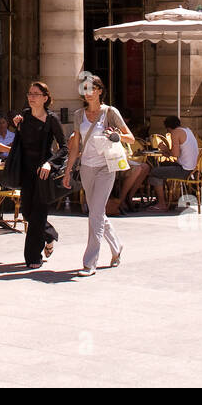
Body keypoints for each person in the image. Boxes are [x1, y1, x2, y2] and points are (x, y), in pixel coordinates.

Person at [62, 76, 129, 275]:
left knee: (95, 213)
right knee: (96, 212)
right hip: (86, 167)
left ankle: (90, 262)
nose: (88, 92)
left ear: (100, 90)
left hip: (106, 167)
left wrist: (117, 136)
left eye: (92, 88)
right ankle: (117, 246)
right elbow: (75, 146)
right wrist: (68, 171)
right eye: (84, 89)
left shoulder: (110, 112)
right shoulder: (78, 114)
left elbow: (130, 137)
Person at [9, 80, 66, 269]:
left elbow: (64, 148)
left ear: (45, 98)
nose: (31, 97)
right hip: (26, 170)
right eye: (29, 94)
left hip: (43, 172)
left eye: (35, 94)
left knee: (39, 213)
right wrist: (15, 125)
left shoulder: (52, 119)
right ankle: (49, 235)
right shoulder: (24, 116)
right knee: (27, 212)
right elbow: (19, 139)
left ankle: (33, 257)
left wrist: (50, 164)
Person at [147, 115, 200, 211]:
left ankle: (162, 203)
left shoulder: (175, 133)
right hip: (193, 169)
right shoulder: (187, 130)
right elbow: (177, 154)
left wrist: (165, 149)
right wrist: (167, 152)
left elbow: (175, 154)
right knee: (162, 166)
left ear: (168, 128)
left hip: (185, 170)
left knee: (154, 172)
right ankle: (170, 198)